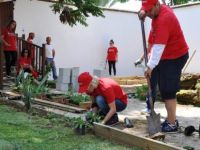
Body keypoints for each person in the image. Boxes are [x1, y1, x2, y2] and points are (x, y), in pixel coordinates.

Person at [138, 0, 189, 132]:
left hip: (175, 56)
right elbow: (154, 38)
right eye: (146, 10)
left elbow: (158, 48)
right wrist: (143, 12)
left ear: (157, 5)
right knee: (161, 85)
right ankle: (168, 118)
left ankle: (172, 123)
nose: (148, 13)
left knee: (168, 89)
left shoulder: (165, 19)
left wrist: (149, 66)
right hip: (165, 56)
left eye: (149, 10)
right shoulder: (156, 12)